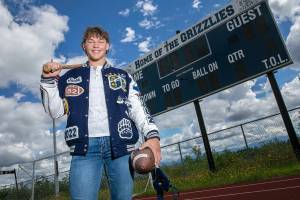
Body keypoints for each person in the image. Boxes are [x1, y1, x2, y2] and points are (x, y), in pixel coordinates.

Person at [40, 26, 161, 200]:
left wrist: (153, 136)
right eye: (91, 41)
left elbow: (138, 108)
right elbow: (55, 111)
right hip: (84, 149)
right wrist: (48, 80)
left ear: (107, 46)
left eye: (100, 41)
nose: (96, 45)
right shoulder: (68, 77)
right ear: (84, 46)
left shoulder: (123, 76)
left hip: (121, 147)